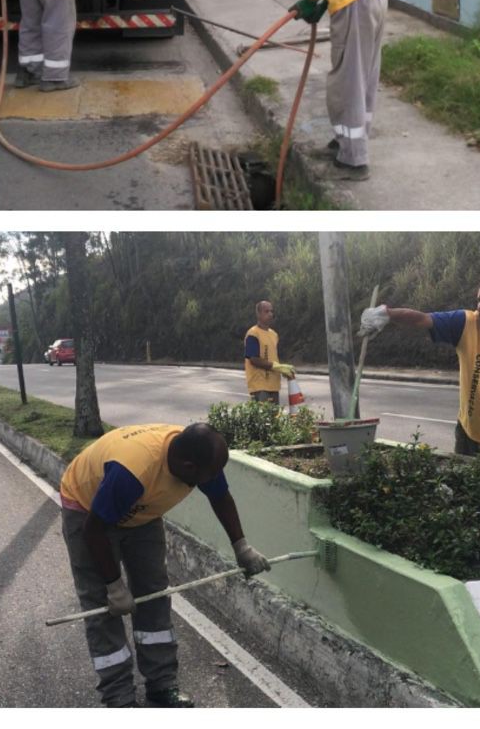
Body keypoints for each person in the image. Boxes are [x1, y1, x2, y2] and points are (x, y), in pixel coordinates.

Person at [58, 422, 270, 707]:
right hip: (87, 510)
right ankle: (119, 698)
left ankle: (161, 685)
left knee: (154, 594)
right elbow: (94, 531)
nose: (208, 481)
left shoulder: (202, 457)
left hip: (141, 514)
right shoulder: (133, 471)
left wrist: (241, 547)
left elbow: (220, 498)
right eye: (204, 477)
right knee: (104, 607)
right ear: (187, 466)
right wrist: (114, 586)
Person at [359, 275, 480, 472]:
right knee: (465, 497)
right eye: (479, 300)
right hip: (467, 436)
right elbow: (422, 319)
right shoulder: (466, 323)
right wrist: (387, 313)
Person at [257, 0, 388, 181]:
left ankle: (354, 161)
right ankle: (348, 141)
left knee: (347, 80)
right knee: (363, 76)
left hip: (355, 1)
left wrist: (311, 0)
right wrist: (324, 2)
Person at [244, 300, 295, 404]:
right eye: (266, 311)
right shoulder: (253, 334)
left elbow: (272, 357)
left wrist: (282, 369)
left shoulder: (274, 335)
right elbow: (253, 359)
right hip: (259, 385)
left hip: (274, 384)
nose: (270, 314)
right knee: (264, 418)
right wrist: (276, 366)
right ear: (258, 314)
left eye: (271, 311)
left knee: (274, 418)